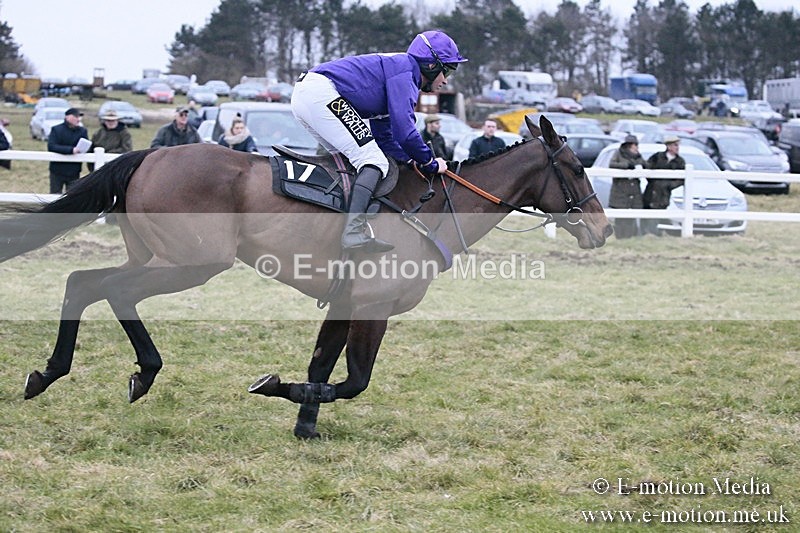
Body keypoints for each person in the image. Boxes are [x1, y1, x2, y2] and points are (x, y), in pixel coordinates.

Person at [291, 30, 467, 253]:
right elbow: (405, 131)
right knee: (373, 160)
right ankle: (353, 232)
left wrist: (410, 161)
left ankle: (333, 227)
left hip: (311, 94)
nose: (446, 80)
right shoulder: (405, 73)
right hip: (321, 93)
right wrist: (429, 162)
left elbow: (385, 138)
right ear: (432, 66)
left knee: (349, 164)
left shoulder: (399, 71)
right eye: (448, 70)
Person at [643, 134, 685, 235]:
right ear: (669, 146)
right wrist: (653, 181)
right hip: (651, 191)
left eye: (677, 145)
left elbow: (681, 179)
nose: (677, 147)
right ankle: (645, 234)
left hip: (664, 193)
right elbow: (647, 168)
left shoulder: (680, 162)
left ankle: (655, 234)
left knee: (659, 213)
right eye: (675, 145)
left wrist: (669, 185)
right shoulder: (657, 157)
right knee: (647, 213)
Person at [608, 135, 646, 239]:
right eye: (635, 145)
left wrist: (641, 165)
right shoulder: (618, 153)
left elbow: (644, 164)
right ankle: (620, 236)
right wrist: (627, 166)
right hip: (621, 189)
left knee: (631, 216)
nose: (636, 147)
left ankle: (630, 236)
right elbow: (612, 164)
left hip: (634, 190)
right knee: (620, 217)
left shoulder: (638, 156)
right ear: (630, 146)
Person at [47, 108, 89, 194]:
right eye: (76, 116)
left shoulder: (83, 131)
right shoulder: (56, 129)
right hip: (57, 169)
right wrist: (71, 150)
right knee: (54, 194)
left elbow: (87, 146)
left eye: (79, 117)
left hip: (74, 170)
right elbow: (51, 146)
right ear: (67, 117)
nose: (78, 119)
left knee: (72, 196)